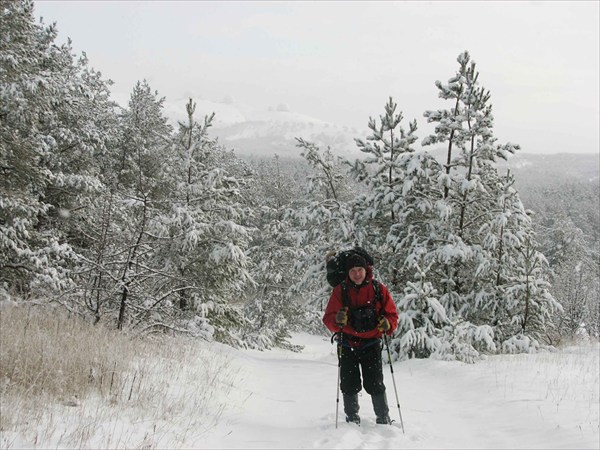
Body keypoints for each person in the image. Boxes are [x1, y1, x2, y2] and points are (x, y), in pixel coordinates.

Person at [323, 252, 399, 425]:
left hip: (371, 343)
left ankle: (383, 417)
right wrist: (337, 321)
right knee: (349, 384)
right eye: (353, 271)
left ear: (366, 270)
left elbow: (392, 315)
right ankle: (351, 418)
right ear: (348, 273)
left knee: (375, 383)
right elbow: (328, 318)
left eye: (360, 269)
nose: (357, 274)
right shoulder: (340, 291)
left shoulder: (378, 289)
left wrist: (387, 324)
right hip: (347, 342)